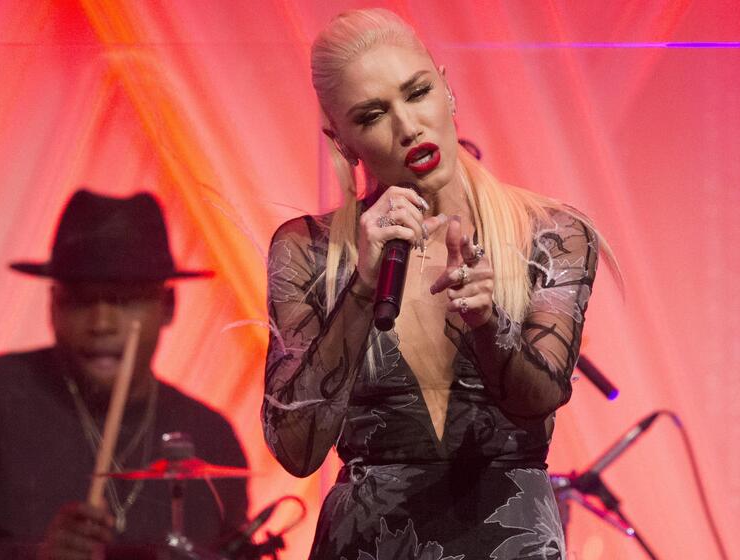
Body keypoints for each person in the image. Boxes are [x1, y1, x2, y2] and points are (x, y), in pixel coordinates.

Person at [262, 8, 617, 560]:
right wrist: (361, 289)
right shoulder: (308, 250)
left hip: (509, 538)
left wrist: (488, 323)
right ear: (342, 140)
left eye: (418, 91)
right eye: (373, 114)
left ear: (447, 90)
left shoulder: (549, 233)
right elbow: (297, 448)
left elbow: (540, 399)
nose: (408, 127)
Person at [0, 189, 248, 559]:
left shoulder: (210, 436)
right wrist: (35, 557)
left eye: (123, 300)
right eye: (80, 300)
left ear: (167, 307)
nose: (101, 323)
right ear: (52, 305)